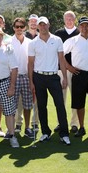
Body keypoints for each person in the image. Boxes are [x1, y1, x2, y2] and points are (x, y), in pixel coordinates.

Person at [28, 16, 70, 145]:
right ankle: (45, 132)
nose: (43, 27)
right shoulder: (33, 43)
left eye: (45, 24)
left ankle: (64, 133)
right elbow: (30, 63)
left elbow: (61, 60)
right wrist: (31, 82)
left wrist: (65, 77)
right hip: (38, 77)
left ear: (48, 25)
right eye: (41, 25)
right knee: (42, 106)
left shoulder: (57, 40)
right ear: (38, 26)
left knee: (60, 105)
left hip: (53, 77)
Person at [63, 16, 88, 137]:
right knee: (79, 103)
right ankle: (81, 127)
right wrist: (68, 67)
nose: (85, 28)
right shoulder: (73, 40)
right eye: (82, 25)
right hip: (78, 74)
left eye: (87, 25)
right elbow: (60, 54)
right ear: (79, 26)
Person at [54, 10, 80, 133]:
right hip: (60, 71)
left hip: (76, 71)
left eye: (71, 18)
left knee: (75, 98)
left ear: (74, 19)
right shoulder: (58, 34)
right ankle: (61, 123)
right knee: (60, 99)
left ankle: (74, 124)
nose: (69, 20)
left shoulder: (79, 32)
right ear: (64, 20)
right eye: (67, 18)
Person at [11, 17, 35, 138]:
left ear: (25, 27)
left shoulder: (29, 43)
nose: (19, 29)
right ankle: (11, 129)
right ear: (14, 28)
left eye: (21, 26)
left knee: (27, 104)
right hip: (13, 78)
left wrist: (32, 81)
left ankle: (27, 128)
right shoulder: (9, 42)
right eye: (17, 27)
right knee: (11, 106)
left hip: (26, 76)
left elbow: (31, 63)